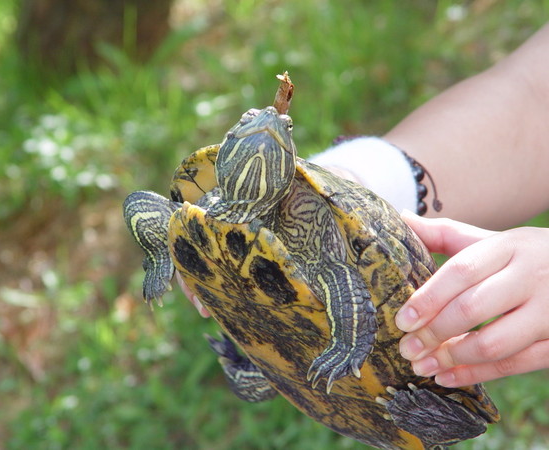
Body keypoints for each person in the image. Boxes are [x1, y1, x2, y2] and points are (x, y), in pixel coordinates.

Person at [181, 23, 549, 388]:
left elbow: (339, 276)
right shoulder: (234, 205)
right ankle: (257, 369)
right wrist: (354, 181)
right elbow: (536, 98)